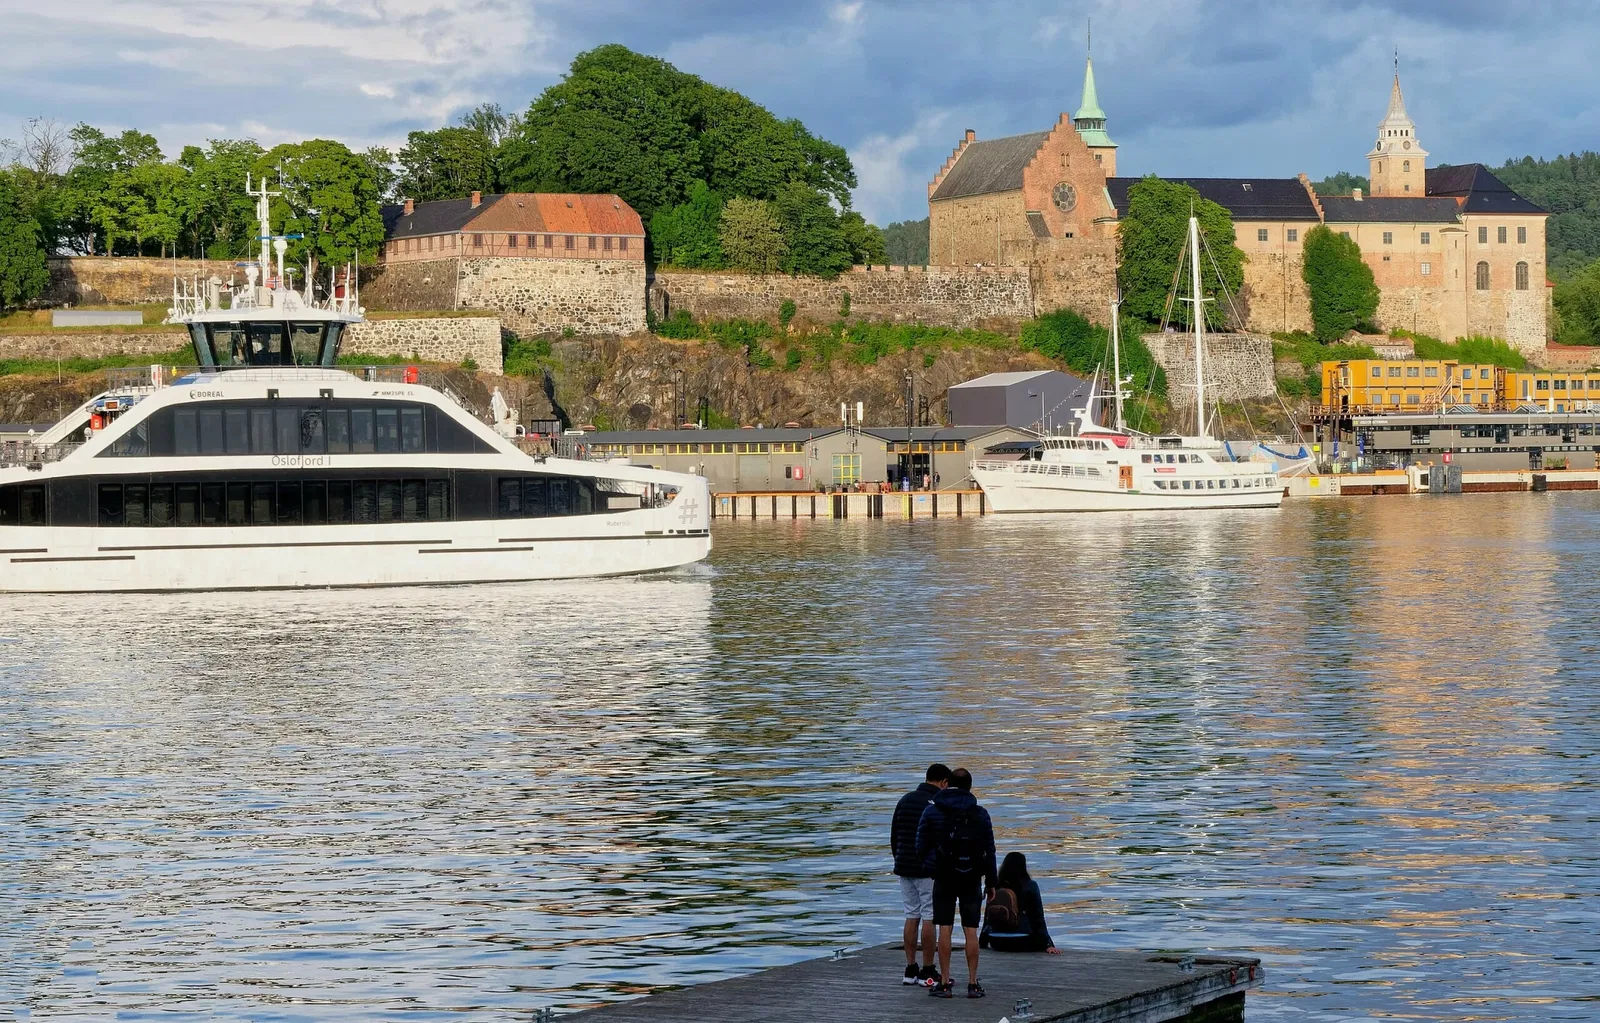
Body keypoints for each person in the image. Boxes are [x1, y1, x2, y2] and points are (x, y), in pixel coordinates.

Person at [915, 767, 996, 999]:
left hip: (944, 876)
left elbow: (920, 846)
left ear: (947, 783)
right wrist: (991, 881)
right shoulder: (980, 814)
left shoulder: (932, 811)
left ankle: (944, 982)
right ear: (970, 787)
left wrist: (933, 866)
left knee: (945, 929)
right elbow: (989, 850)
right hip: (972, 876)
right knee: (971, 930)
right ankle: (973, 983)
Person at [890, 763, 950, 987]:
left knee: (911, 914)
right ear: (943, 782)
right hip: (926, 869)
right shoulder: (937, 804)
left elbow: (894, 835)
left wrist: (899, 858)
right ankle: (927, 969)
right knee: (929, 916)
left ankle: (910, 967)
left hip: (903, 866)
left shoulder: (905, 800)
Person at [979, 852, 1061, 954]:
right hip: (1022, 941)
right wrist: (1048, 945)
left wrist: (982, 941)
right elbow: (1038, 917)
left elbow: (988, 917)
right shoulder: (1030, 885)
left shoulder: (996, 885)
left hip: (997, 942)